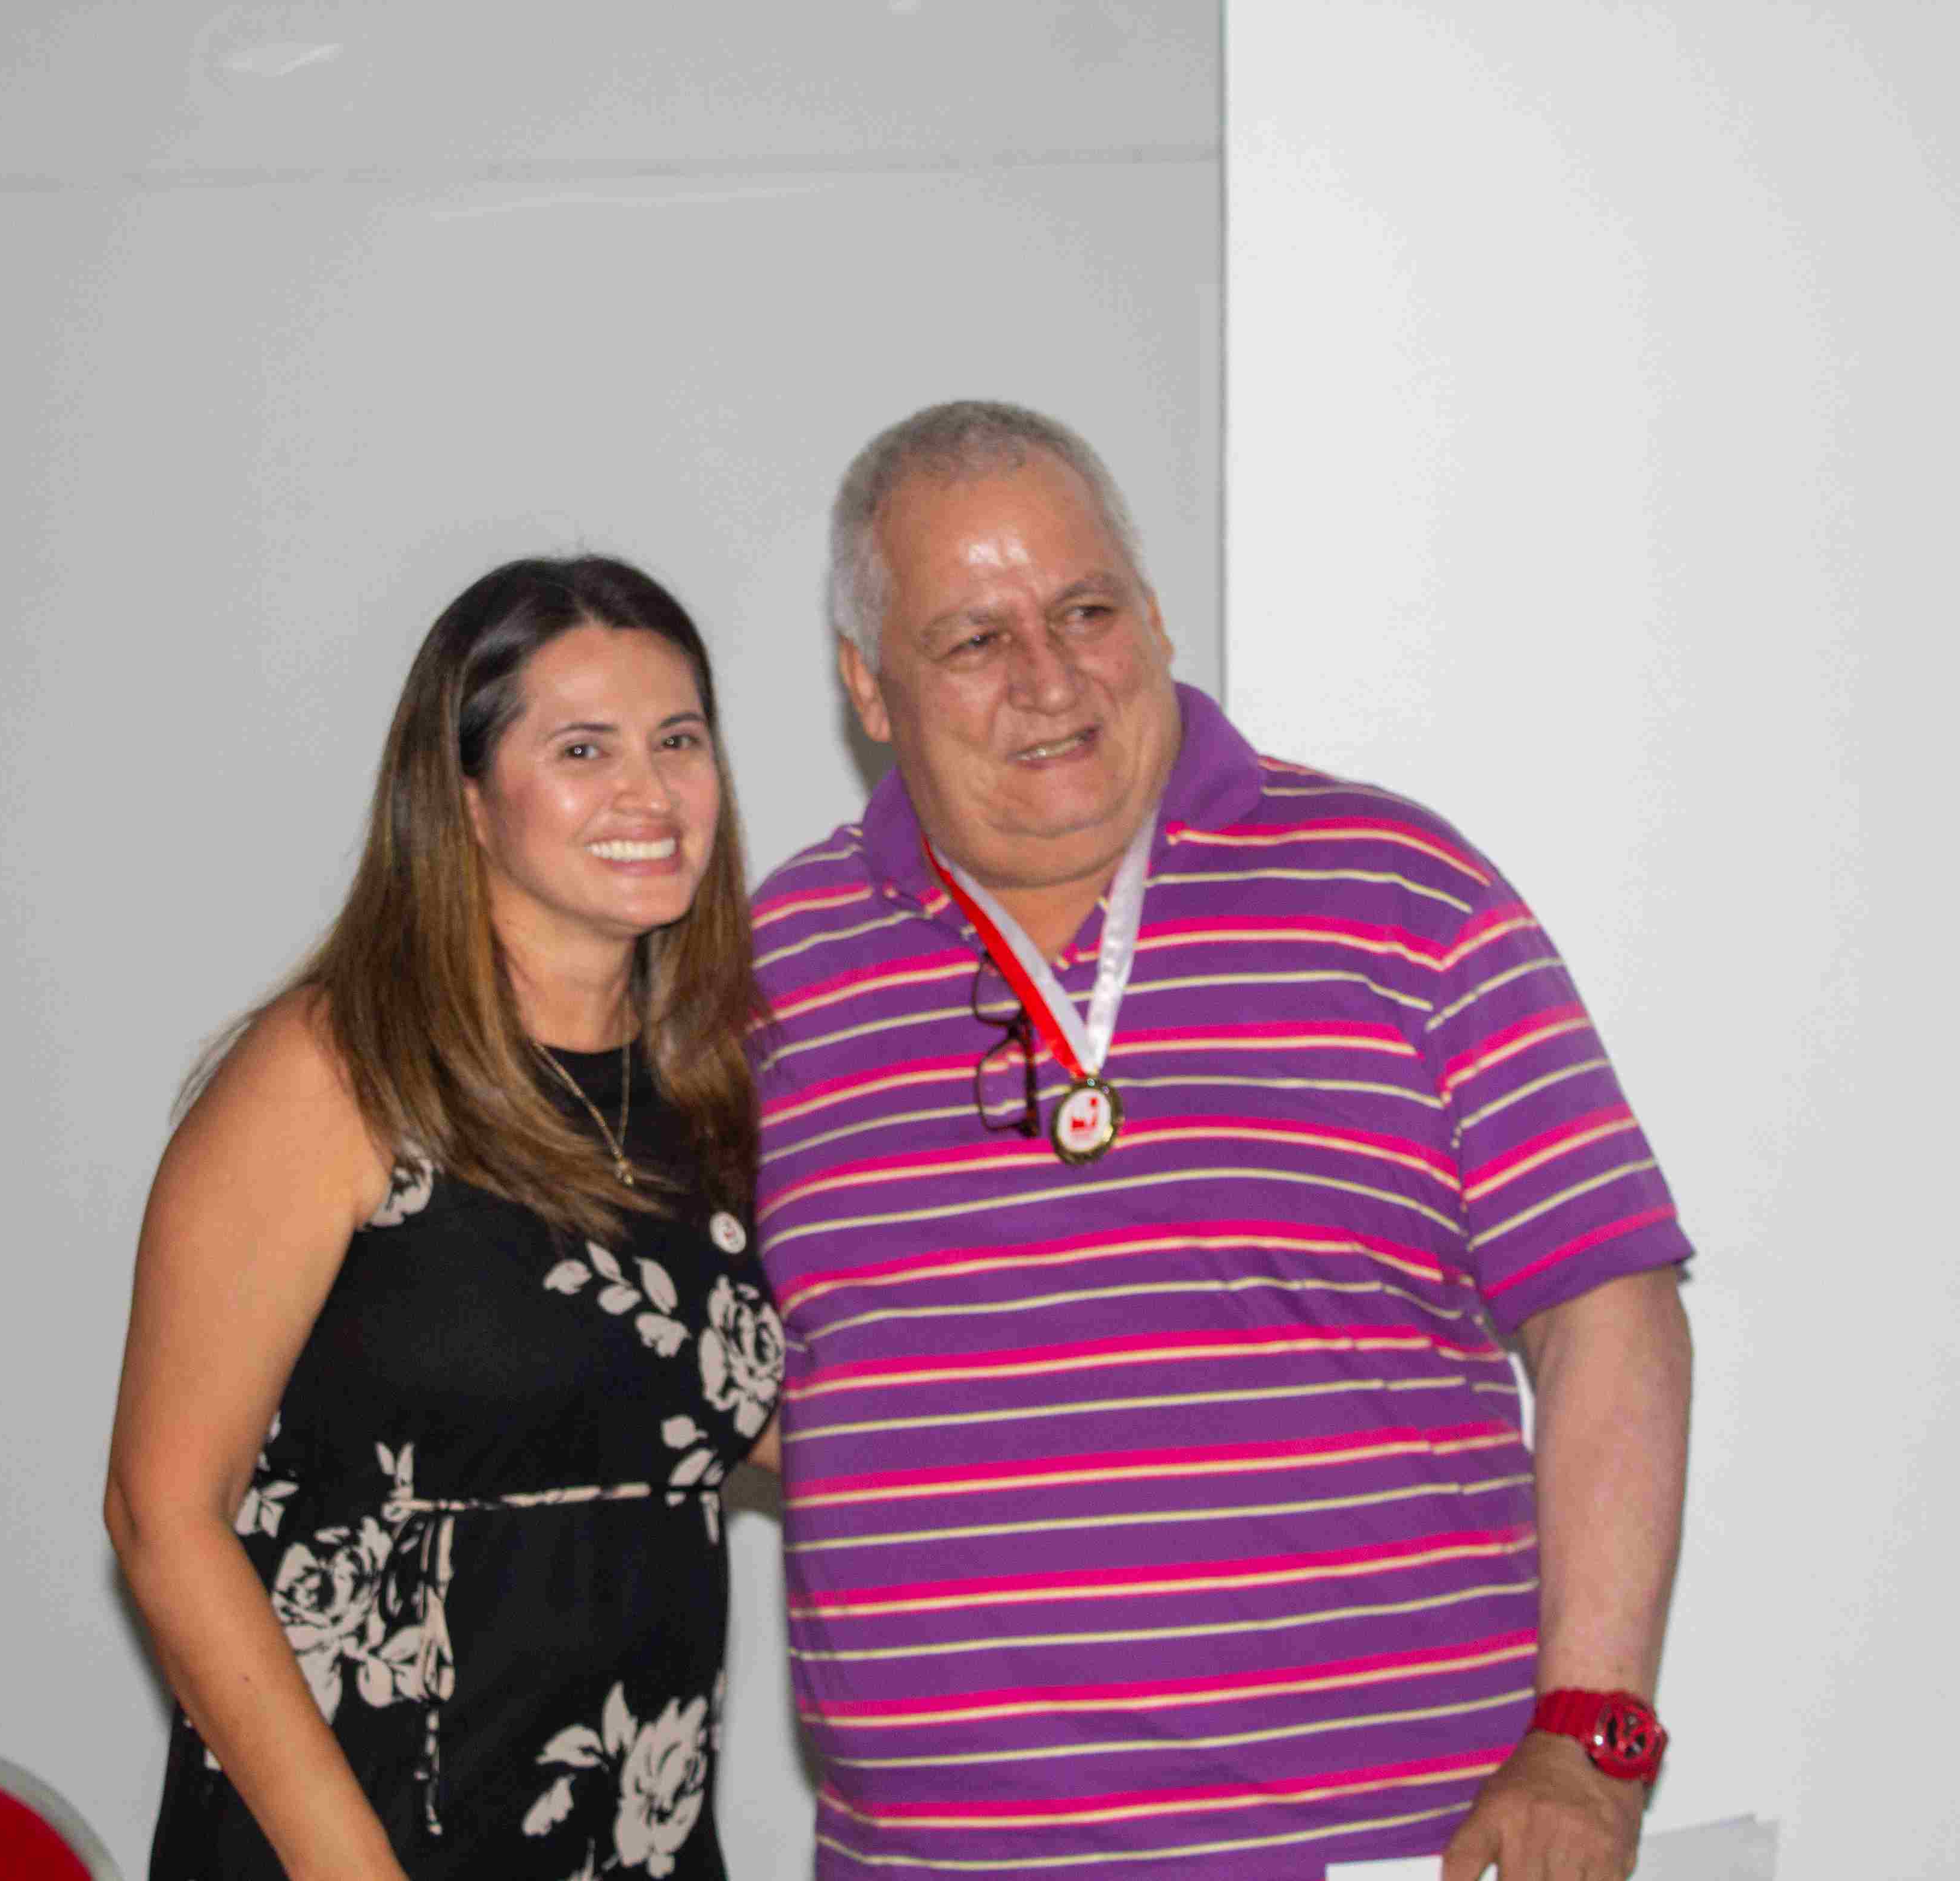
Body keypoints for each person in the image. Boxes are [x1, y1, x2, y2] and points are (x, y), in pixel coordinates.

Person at [751, 402, 1694, 1881]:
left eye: (1086, 610)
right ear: (869, 685)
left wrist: (1590, 1735)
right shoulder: (766, 979)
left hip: (1388, 1852)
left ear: (1155, 614)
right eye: (975, 639)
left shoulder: (1403, 896)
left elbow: (1608, 1309)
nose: (1050, 677)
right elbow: (685, 1365)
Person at [106, 555, 786, 1881]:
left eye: (679, 740)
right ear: (466, 799)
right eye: (583, 748)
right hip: (361, 1840)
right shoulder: (338, 1071)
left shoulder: (717, 1090)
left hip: (636, 1836)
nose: (649, 792)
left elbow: (774, 1417)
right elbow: (162, 1513)